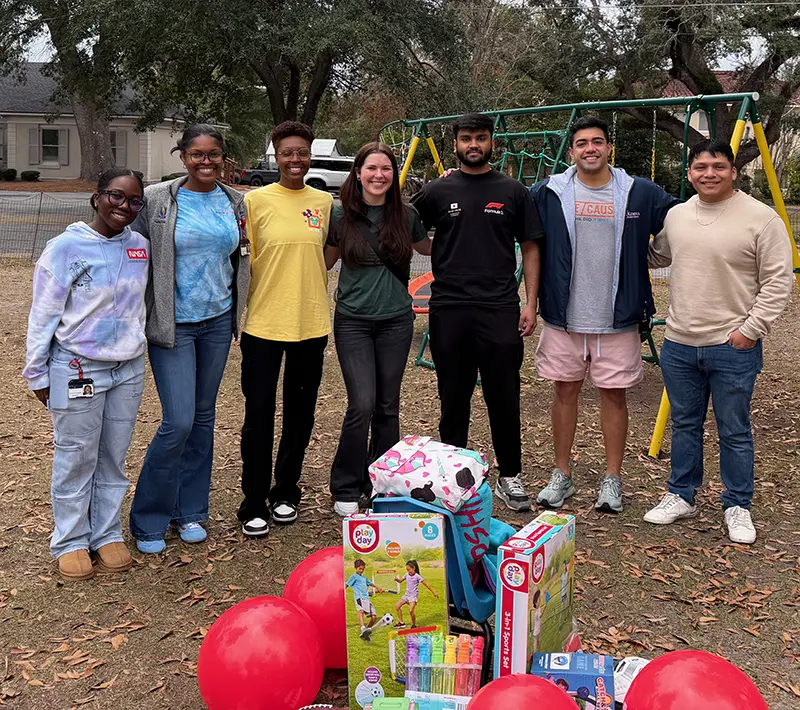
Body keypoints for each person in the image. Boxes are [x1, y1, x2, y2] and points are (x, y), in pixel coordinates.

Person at [644, 139, 793, 544]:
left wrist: (750, 330)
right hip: (679, 341)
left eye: (718, 166)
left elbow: (779, 280)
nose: (709, 173)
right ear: (690, 172)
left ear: (733, 172)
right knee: (686, 423)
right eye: (701, 167)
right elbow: (658, 257)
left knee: (733, 428)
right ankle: (681, 494)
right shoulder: (677, 215)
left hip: (732, 344)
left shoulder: (761, 219)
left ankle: (737, 504)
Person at [530, 116, 679, 513]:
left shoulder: (638, 192)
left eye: (597, 141)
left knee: (614, 397)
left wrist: (648, 256)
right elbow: (522, 232)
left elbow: (683, 220)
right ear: (573, 150)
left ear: (609, 147)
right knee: (564, 392)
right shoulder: (549, 191)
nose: (590, 149)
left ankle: (612, 480)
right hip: (564, 316)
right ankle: (562, 475)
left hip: (618, 318)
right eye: (582, 143)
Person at [411, 112, 543, 512]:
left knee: (504, 397)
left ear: (491, 142)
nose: (473, 144)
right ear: (455, 144)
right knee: (453, 397)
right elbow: (406, 227)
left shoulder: (513, 191)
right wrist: (433, 250)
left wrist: (531, 302)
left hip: (500, 309)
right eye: (466, 138)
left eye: (480, 138)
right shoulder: (437, 190)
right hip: (449, 309)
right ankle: (454, 475)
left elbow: (532, 246)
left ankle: (510, 476)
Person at [129, 124, 250, 554]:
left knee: (202, 418)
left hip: (216, 322)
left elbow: (240, 257)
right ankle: (148, 519)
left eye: (213, 154)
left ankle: (192, 510)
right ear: (183, 156)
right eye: (196, 154)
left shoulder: (234, 202)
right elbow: (131, 250)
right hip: (172, 325)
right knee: (177, 421)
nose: (205, 161)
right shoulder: (159, 198)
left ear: (223, 157)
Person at [23, 168, 148, 580]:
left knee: (113, 456)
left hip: (127, 369)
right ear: (97, 197)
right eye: (116, 196)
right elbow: (42, 314)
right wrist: (37, 373)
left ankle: (106, 532)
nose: (124, 207)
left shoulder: (140, 248)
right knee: (76, 457)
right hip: (76, 367)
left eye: (134, 201)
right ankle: (71, 539)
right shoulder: (65, 248)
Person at [324, 142, 432, 516]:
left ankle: (384, 482)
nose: (378, 175)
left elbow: (431, 248)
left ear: (393, 175)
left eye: (386, 169)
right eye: (371, 168)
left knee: (388, 405)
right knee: (362, 403)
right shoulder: (340, 215)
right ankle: (346, 484)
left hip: (396, 320)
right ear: (358, 173)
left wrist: (453, 197)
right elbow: (322, 261)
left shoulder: (407, 214)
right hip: (353, 320)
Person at [237, 121, 333, 537]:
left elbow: (327, 256)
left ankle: (285, 492)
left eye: (302, 153)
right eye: (287, 153)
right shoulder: (254, 202)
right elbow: (245, 260)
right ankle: (253, 500)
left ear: (311, 155)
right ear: (276, 155)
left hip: (310, 324)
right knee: (258, 415)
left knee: (300, 415)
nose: (296, 160)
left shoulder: (326, 202)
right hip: (263, 324)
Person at [393, 560, 439, 628]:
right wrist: (397, 580)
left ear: (413, 568)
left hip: (413, 596)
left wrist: (434, 593)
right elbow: (400, 581)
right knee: (397, 606)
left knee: (411, 610)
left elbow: (426, 584)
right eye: (407, 570)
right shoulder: (406, 575)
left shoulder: (417, 576)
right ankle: (401, 623)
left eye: (409, 569)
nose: (408, 571)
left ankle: (414, 625)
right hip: (407, 595)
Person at [346, 559, 384, 639]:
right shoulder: (354, 577)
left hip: (366, 599)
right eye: (360, 568)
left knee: (374, 617)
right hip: (359, 598)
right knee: (361, 611)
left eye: (363, 569)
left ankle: (366, 632)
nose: (361, 570)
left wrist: (378, 587)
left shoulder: (364, 578)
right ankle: (363, 628)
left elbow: (370, 583)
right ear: (355, 568)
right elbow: (346, 585)